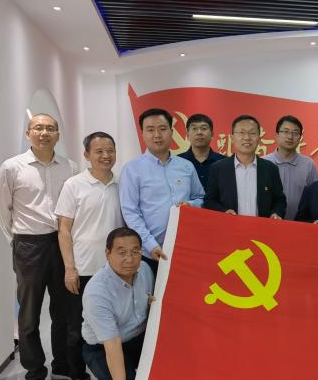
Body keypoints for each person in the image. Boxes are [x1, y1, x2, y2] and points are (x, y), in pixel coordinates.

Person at [0, 113, 81, 380]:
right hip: (29, 245)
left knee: (64, 310)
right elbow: (0, 210)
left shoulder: (70, 167)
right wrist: (17, 241)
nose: (44, 133)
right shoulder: (12, 167)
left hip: (62, 242)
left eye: (50, 129)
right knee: (29, 315)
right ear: (28, 133)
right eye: (38, 128)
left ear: (58, 135)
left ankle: (62, 365)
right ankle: (35, 374)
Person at [53, 131, 123, 380]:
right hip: (83, 269)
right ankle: (77, 377)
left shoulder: (121, 184)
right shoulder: (74, 185)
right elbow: (63, 230)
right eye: (99, 151)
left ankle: (112, 378)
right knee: (77, 328)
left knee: (113, 327)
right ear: (86, 155)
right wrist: (69, 268)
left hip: (115, 271)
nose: (106, 156)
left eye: (110, 150)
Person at [121, 108, 204, 277]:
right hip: (149, 253)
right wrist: (151, 245)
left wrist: (191, 205)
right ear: (143, 134)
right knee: (149, 294)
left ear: (171, 132)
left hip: (184, 249)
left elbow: (200, 197)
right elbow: (130, 212)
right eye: (150, 130)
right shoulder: (132, 169)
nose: (157, 135)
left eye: (162, 129)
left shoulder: (186, 166)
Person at [81, 227, 154, 380]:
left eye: (135, 251)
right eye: (122, 253)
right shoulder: (97, 292)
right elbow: (112, 344)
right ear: (108, 254)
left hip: (138, 336)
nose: (129, 259)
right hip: (103, 346)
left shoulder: (145, 270)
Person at [204, 115, 286, 218]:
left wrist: (276, 213)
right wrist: (223, 211)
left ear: (259, 138)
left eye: (252, 133)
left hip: (261, 227)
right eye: (241, 133)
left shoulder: (270, 168)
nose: (247, 138)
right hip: (229, 226)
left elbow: (279, 200)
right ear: (232, 138)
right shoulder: (218, 168)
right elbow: (210, 200)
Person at [264, 115, 318, 220]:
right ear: (277, 135)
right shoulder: (263, 163)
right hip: (268, 224)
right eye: (286, 131)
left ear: (300, 138)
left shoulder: (309, 165)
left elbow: (315, 198)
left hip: (300, 225)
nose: (290, 137)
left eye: (295, 133)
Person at [178, 113, 226, 188]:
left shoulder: (224, 162)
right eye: (194, 129)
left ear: (212, 134)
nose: (199, 132)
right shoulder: (177, 162)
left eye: (204, 128)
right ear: (187, 134)